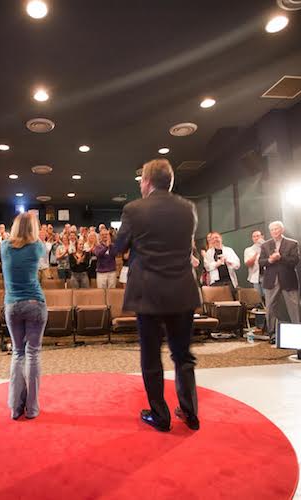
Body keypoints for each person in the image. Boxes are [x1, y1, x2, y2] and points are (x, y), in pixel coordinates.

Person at [115, 158, 201, 432]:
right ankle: (190, 412)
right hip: (182, 290)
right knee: (183, 355)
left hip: (148, 292)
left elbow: (119, 246)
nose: (140, 185)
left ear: (148, 181)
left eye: (141, 180)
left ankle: (159, 415)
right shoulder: (188, 209)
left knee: (151, 356)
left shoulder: (134, 209)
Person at [1, 211, 48, 420]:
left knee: (18, 353)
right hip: (34, 303)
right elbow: (42, 261)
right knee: (33, 353)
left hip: (12, 305)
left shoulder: (4, 246)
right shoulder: (37, 246)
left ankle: (15, 407)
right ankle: (32, 408)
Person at [259, 220, 301, 343]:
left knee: (294, 307)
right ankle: (272, 335)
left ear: (282, 230)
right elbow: (261, 262)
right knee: (271, 308)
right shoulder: (265, 245)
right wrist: (270, 260)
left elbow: (295, 261)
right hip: (271, 280)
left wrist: (280, 258)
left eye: (276, 229)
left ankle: (298, 334)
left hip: (288, 279)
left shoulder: (292, 243)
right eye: (272, 230)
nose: (274, 232)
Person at [244, 229, 265, 300]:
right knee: (258, 298)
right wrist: (256, 253)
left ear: (262, 237)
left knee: (268, 297)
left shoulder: (267, 247)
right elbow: (248, 264)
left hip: (267, 276)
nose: (256, 238)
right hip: (255, 276)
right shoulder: (248, 250)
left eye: (258, 236)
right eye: (254, 236)